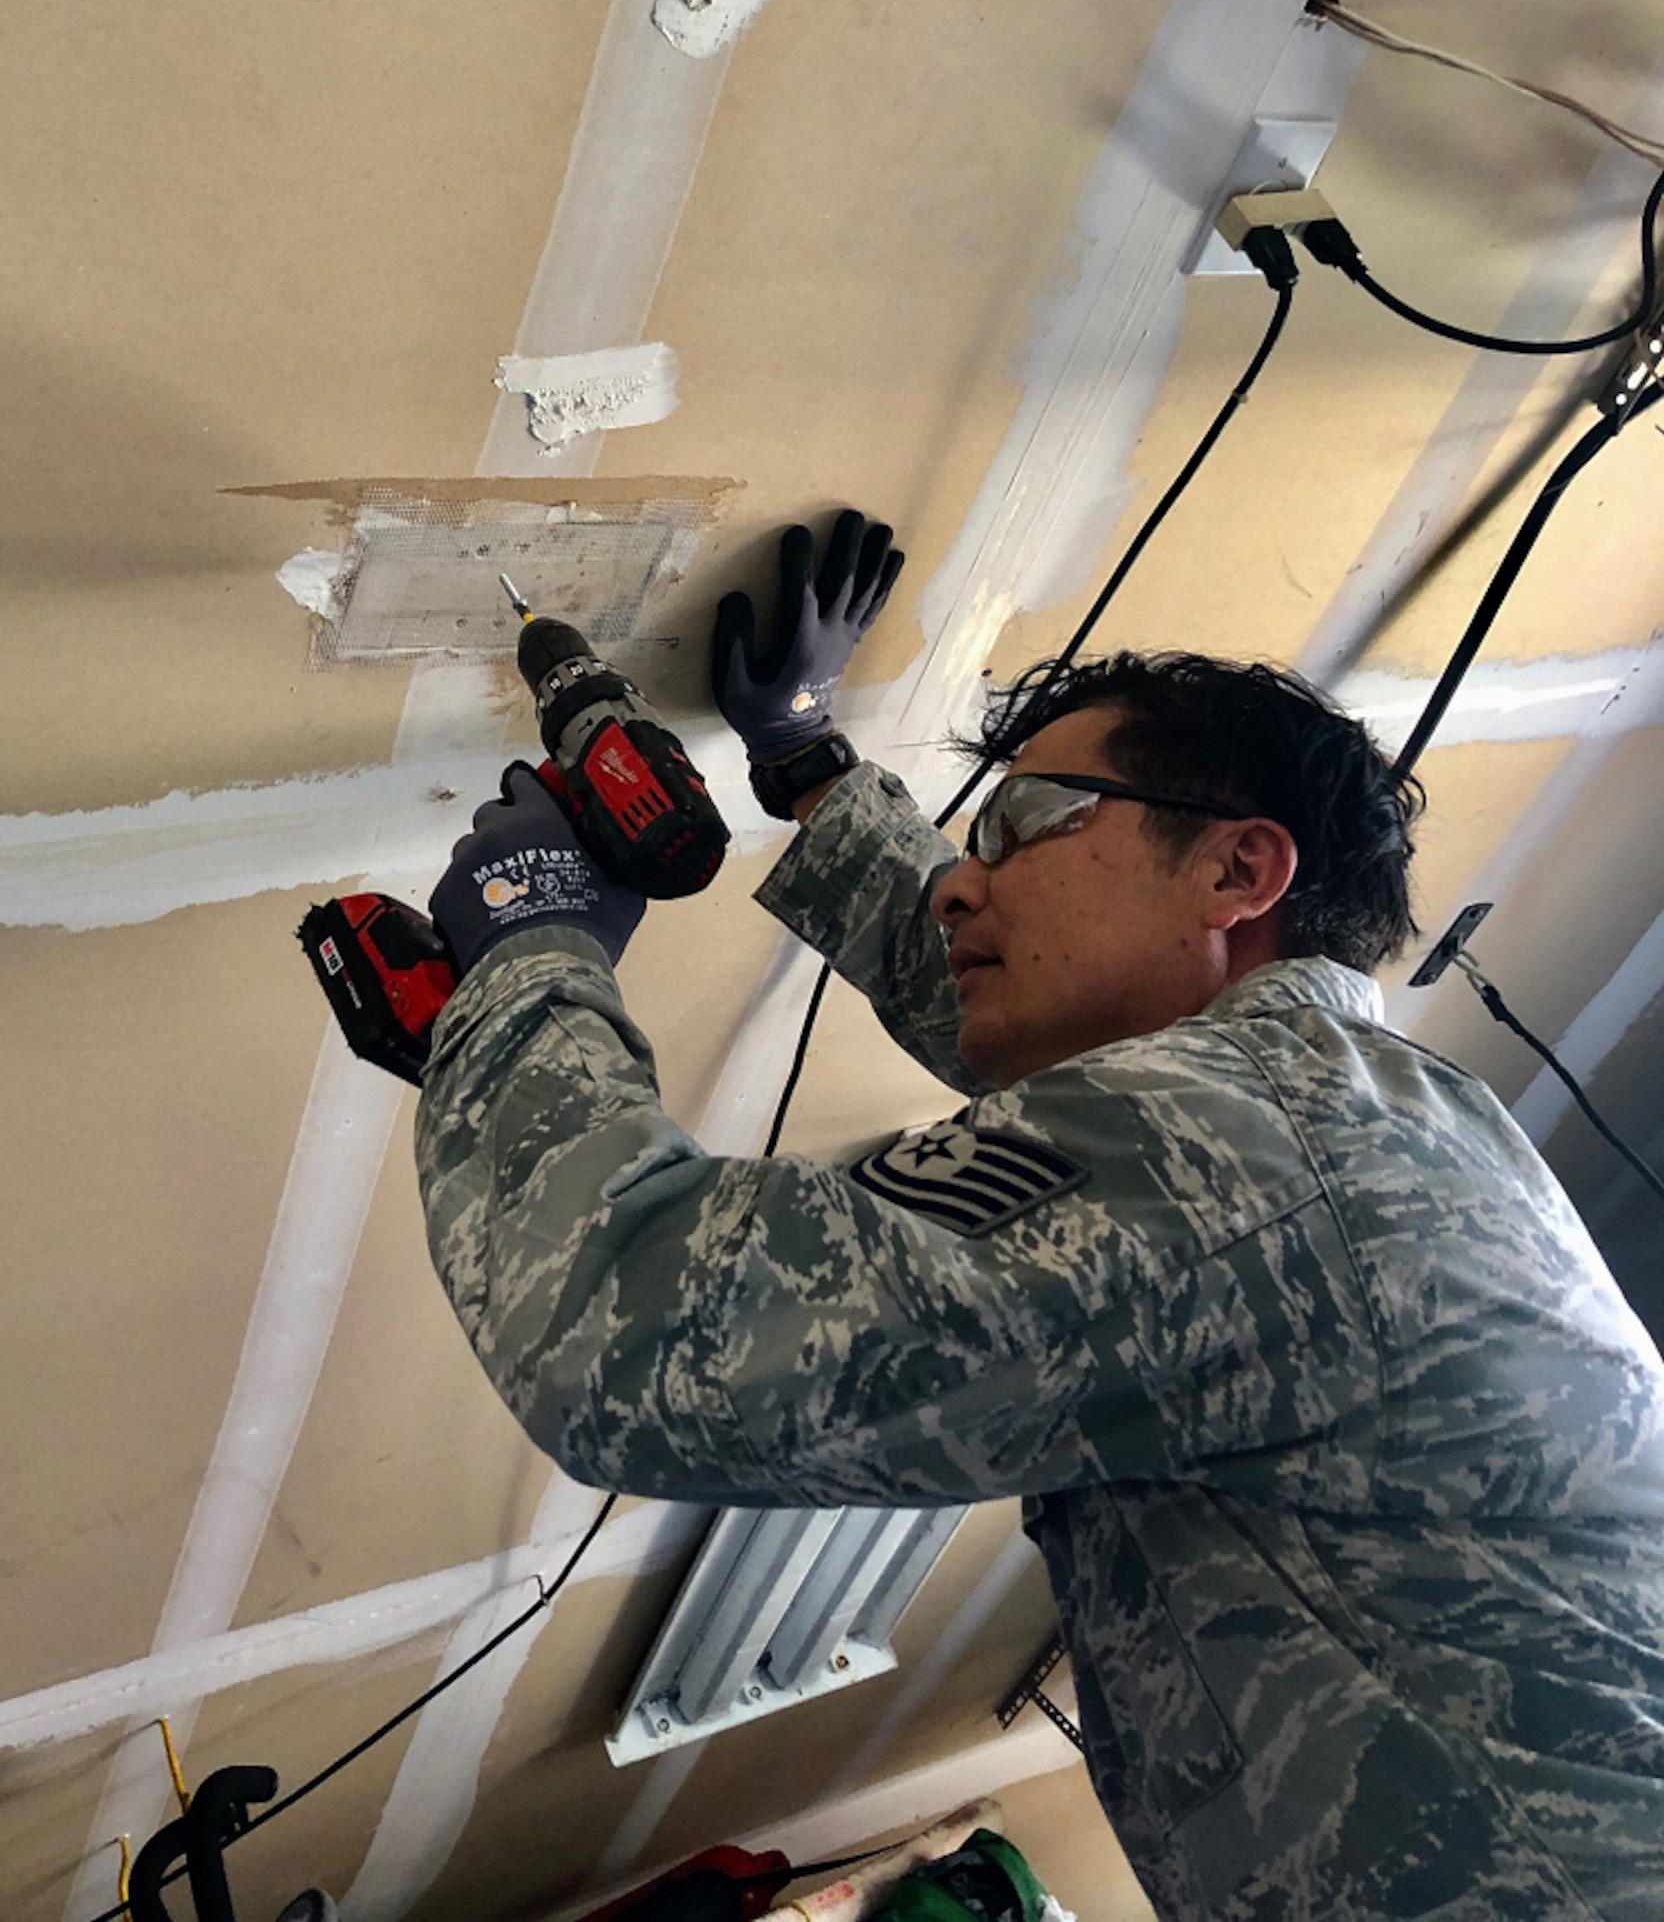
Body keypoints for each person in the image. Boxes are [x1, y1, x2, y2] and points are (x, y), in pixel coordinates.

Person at [418, 512, 1664, 1920]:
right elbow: (1016, 999)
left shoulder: (1260, 1142)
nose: (965, 874)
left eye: (1020, 827)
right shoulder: (1339, 1114)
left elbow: (635, 1336)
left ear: (1240, 872)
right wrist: (807, 760)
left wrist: (526, 958)